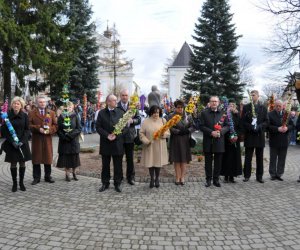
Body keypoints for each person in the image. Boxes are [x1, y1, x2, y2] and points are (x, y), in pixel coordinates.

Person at [1, 97, 32, 192]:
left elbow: (27, 130)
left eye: (18, 104)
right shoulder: (7, 116)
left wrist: (22, 141)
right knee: (13, 163)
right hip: (12, 144)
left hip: (22, 143)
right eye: (14, 103)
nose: (16, 105)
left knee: (22, 162)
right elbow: (4, 130)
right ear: (12, 105)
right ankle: (14, 183)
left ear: (21, 105)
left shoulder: (25, 116)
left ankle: (21, 183)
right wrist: (12, 141)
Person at [96, 94, 125, 193]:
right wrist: (107, 135)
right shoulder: (101, 113)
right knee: (105, 165)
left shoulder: (121, 112)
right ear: (108, 102)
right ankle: (105, 183)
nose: (116, 102)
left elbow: (125, 128)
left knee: (118, 165)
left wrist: (116, 135)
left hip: (117, 143)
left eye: (116, 100)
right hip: (105, 143)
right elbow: (98, 127)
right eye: (114, 100)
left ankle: (117, 183)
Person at [199, 96, 229, 188]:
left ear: (219, 102)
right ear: (210, 102)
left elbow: (227, 126)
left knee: (218, 162)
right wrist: (211, 132)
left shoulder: (223, 113)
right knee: (208, 162)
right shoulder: (204, 113)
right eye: (212, 101)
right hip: (208, 140)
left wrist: (220, 132)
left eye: (216, 101)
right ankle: (208, 179)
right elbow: (201, 126)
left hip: (219, 141)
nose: (214, 103)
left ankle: (216, 179)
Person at [29, 95, 58, 185]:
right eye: (40, 102)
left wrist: (50, 130)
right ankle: (36, 178)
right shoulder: (32, 113)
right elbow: (29, 125)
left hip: (47, 139)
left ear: (46, 103)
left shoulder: (51, 113)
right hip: (37, 139)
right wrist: (38, 128)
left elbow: (55, 125)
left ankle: (47, 176)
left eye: (44, 102)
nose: (42, 103)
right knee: (36, 159)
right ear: (37, 103)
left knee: (47, 158)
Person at [139, 105, 170, 188]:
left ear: (159, 112)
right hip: (149, 145)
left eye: (157, 112)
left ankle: (157, 179)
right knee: (151, 162)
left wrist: (163, 134)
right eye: (153, 112)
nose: (155, 114)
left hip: (159, 145)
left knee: (157, 162)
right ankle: (152, 178)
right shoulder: (145, 121)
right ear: (150, 113)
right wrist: (146, 141)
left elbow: (168, 132)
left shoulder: (163, 120)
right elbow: (141, 133)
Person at [241, 90, 268, 183]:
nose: (252, 97)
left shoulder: (263, 108)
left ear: (258, 96)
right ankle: (246, 175)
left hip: (259, 136)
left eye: (254, 95)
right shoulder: (246, 107)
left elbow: (266, 121)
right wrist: (251, 127)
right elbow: (243, 121)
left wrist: (260, 127)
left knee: (260, 157)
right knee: (248, 157)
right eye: (251, 95)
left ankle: (259, 176)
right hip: (250, 135)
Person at [167, 100, 195, 185]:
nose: (180, 109)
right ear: (175, 108)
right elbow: (169, 127)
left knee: (184, 159)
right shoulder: (171, 116)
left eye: (181, 107)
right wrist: (177, 131)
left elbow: (193, 126)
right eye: (178, 107)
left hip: (185, 139)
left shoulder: (188, 116)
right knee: (176, 160)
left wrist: (187, 131)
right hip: (176, 139)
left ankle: (182, 177)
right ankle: (177, 177)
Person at [117, 89, 141, 185]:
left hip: (130, 136)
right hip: (119, 136)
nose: (124, 97)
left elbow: (139, 119)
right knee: (118, 158)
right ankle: (119, 177)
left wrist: (133, 121)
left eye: (126, 95)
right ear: (120, 96)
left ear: (128, 96)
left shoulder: (133, 106)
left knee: (130, 158)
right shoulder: (116, 106)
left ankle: (130, 177)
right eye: (122, 95)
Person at [268, 100, 294, 181]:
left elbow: (292, 125)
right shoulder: (270, 114)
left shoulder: (286, 114)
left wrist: (287, 128)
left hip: (284, 140)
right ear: (274, 106)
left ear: (283, 106)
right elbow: (267, 126)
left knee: (282, 158)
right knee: (273, 158)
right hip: (274, 140)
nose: (278, 107)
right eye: (277, 106)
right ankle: (272, 174)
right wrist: (277, 129)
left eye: (280, 106)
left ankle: (279, 174)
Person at [56, 101, 82, 181]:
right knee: (66, 159)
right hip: (64, 141)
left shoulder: (75, 116)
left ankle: (74, 173)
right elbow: (58, 129)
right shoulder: (61, 117)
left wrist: (70, 135)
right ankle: (67, 174)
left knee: (74, 158)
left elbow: (79, 128)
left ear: (72, 108)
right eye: (66, 107)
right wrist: (64, 136)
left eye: (70, 107)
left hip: (73, 140)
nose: (68, 108)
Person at [220, 102, 243, 183]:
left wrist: (236, 135)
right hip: (227, 139)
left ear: (235, 107)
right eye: (230, 105)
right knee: (226, 158)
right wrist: (228, 136)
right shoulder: (225, 115)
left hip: (235, 140)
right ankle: (226, 176)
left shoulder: (237, 115)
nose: (231, 107)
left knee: (234, 158)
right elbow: (222, 126)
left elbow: (240, 128)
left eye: (233, 106)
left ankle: (232, 176)